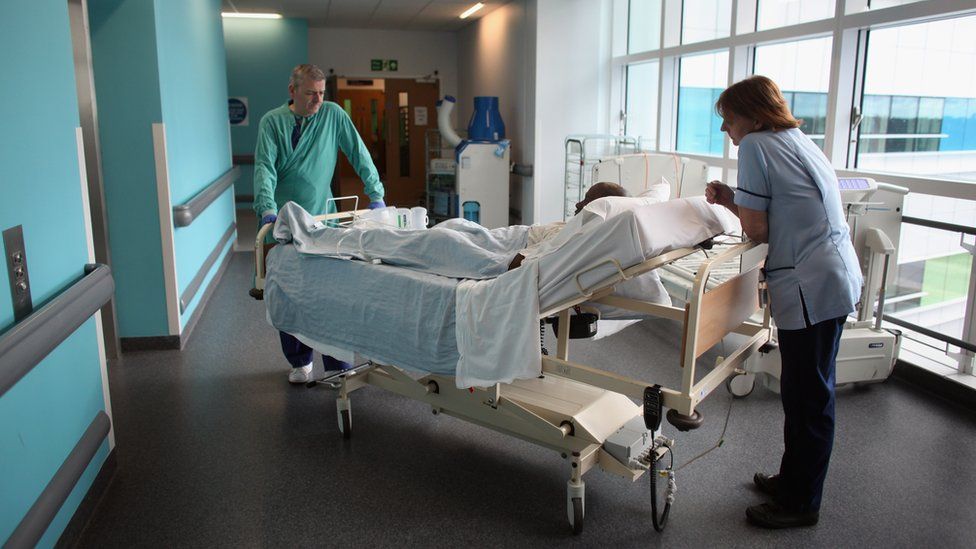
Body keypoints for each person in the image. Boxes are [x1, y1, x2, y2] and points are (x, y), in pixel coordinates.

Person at [705, 76, 862, 529]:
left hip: (811, 284)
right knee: (806, 391)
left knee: (809, 397)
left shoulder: (755, 146)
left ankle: (800, 503)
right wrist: (738, 201)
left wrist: (736, 205)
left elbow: (759, 230)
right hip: (833, 275)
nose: (726, 132)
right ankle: (794, 480)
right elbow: (782, 213)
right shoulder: (796, 138)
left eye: (729, 120)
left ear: (753, 117)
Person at [254, 63, 387, 384]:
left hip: (322, 219)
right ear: (292, 91)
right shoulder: (272, 122)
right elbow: (264, 168)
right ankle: (300, 361)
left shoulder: (333, 115)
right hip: (283, 222)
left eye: (321, 93)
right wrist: (267, 209)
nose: (317, 99)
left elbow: (358, 152)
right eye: (310, 93)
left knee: (331, 293)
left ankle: (337, 364)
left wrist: (376, 194)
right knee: (288, 292)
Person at [508, 182, 628, 270]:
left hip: (519, 243)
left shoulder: (574, 239)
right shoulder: (574, 229)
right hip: (525, 235)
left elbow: (517, 264)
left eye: (587, 200)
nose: (577, 204)